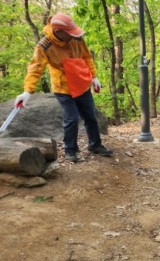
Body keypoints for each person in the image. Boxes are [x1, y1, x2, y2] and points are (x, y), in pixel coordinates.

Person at [14, 13, 112, 163]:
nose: (73, 36)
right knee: (71, 119)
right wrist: (27, 91)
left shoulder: (77, 38)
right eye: (69, 33)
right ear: (58, 31)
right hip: (63, 88)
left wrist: (94, 76)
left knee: (91, 117)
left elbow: (87, 57)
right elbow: (35, 68)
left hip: (82, 84)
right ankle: (70, 150)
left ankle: (95, 145)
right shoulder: (44, 45)